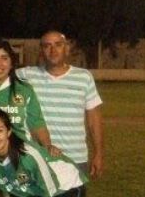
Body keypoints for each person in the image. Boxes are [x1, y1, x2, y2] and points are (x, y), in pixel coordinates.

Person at [17, 30, 104, 178]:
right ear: (41, 51)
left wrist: (99, 154)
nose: (53, 50)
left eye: (58, 45)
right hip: (40, 157)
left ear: (67, 48)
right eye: (47, 46)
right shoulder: (26, 75)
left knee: (74, 194)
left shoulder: (84, 77)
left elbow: (94, 120)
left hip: (75, 158)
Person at [0, 39, 53, 150]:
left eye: (4, 58)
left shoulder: (24, 89)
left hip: (19, 152)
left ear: (12, 64)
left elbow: (37, 124)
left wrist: (48, 147)